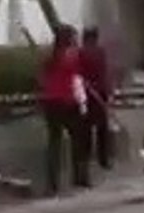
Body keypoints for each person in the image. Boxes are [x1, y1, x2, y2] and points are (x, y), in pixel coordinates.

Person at [40, 25, 90, 194]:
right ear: (70, 39)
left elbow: (42, 80)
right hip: (67, 102)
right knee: (78, 140)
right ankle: (80, 177)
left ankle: (52, 184)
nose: (77, 40)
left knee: (54, 143)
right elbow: (77, 83)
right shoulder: (72, 57)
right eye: (75, 37)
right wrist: (83, 103)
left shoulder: (49, 57)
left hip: (50, 103)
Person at [78, 27, 113, 170]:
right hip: (100, 91)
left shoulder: (80, 52)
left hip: (86, 92)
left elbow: (78, 73)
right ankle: (103, 159)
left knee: (85, 127)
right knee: (102, 127)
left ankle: (85, 157)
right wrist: (109, 91)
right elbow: (104, 72)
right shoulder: (100, 52)